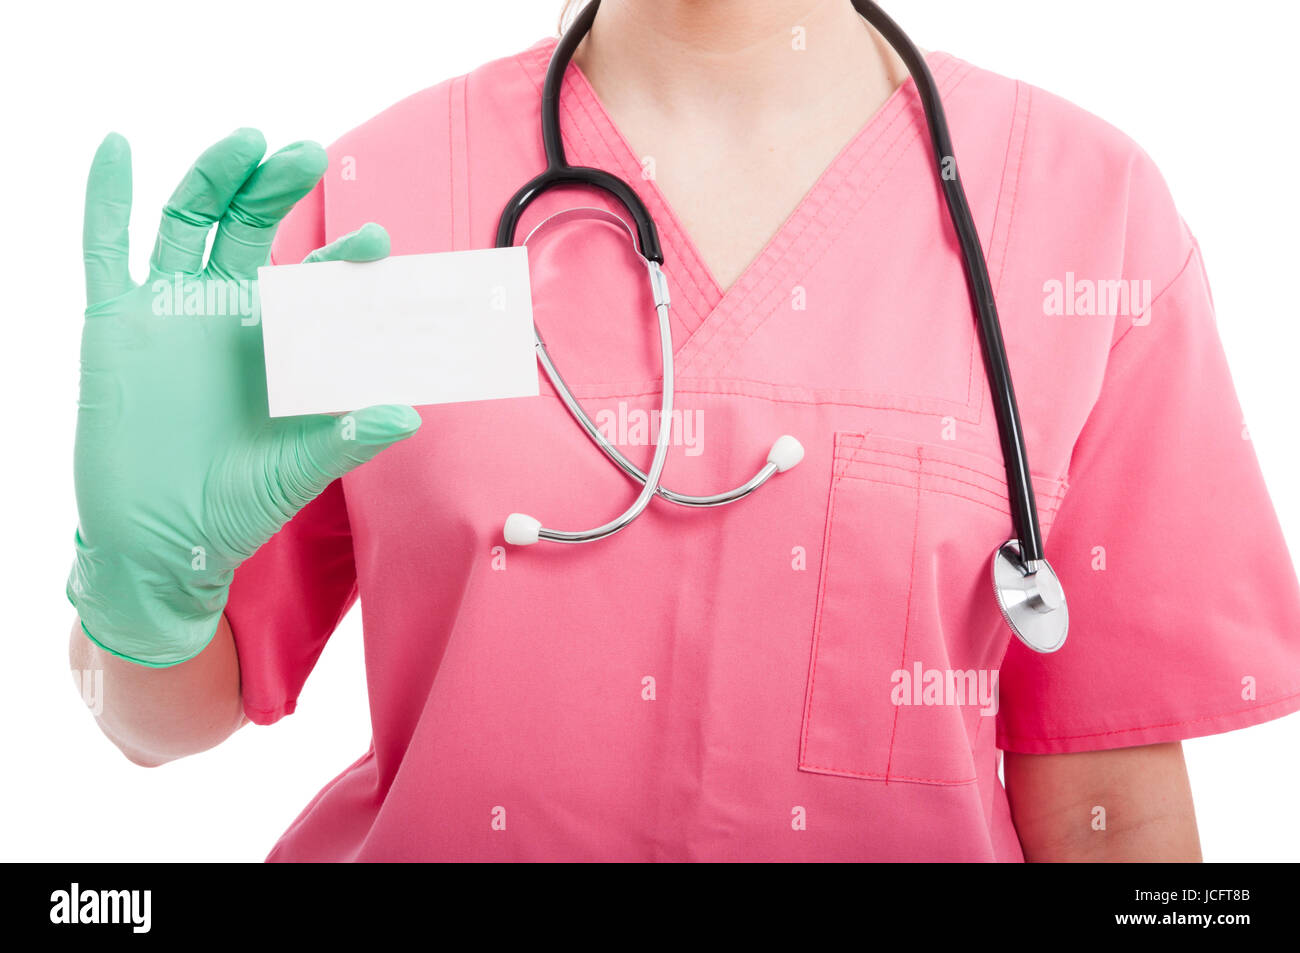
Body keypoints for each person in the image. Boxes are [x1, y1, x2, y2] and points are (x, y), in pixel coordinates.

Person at [67, 0, 1300, 862]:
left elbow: (1109, 805)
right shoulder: (386, 200)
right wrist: (138, 592)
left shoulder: (1082, 214)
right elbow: (167, 719)